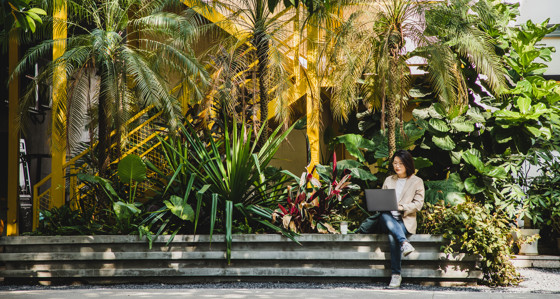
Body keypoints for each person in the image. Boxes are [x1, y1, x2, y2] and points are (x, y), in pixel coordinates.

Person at [380, 149, 424, 288]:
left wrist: (402, 207)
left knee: (393, 237)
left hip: (405, 220)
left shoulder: (417, 181)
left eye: (400, 163)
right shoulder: (389, 180)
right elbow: (381, 201)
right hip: (387, 218)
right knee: (384, 215)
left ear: (407, 164)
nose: (397, 166)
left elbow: (418, 204)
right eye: (395, 163)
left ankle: (396, 275)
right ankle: (405, 243)